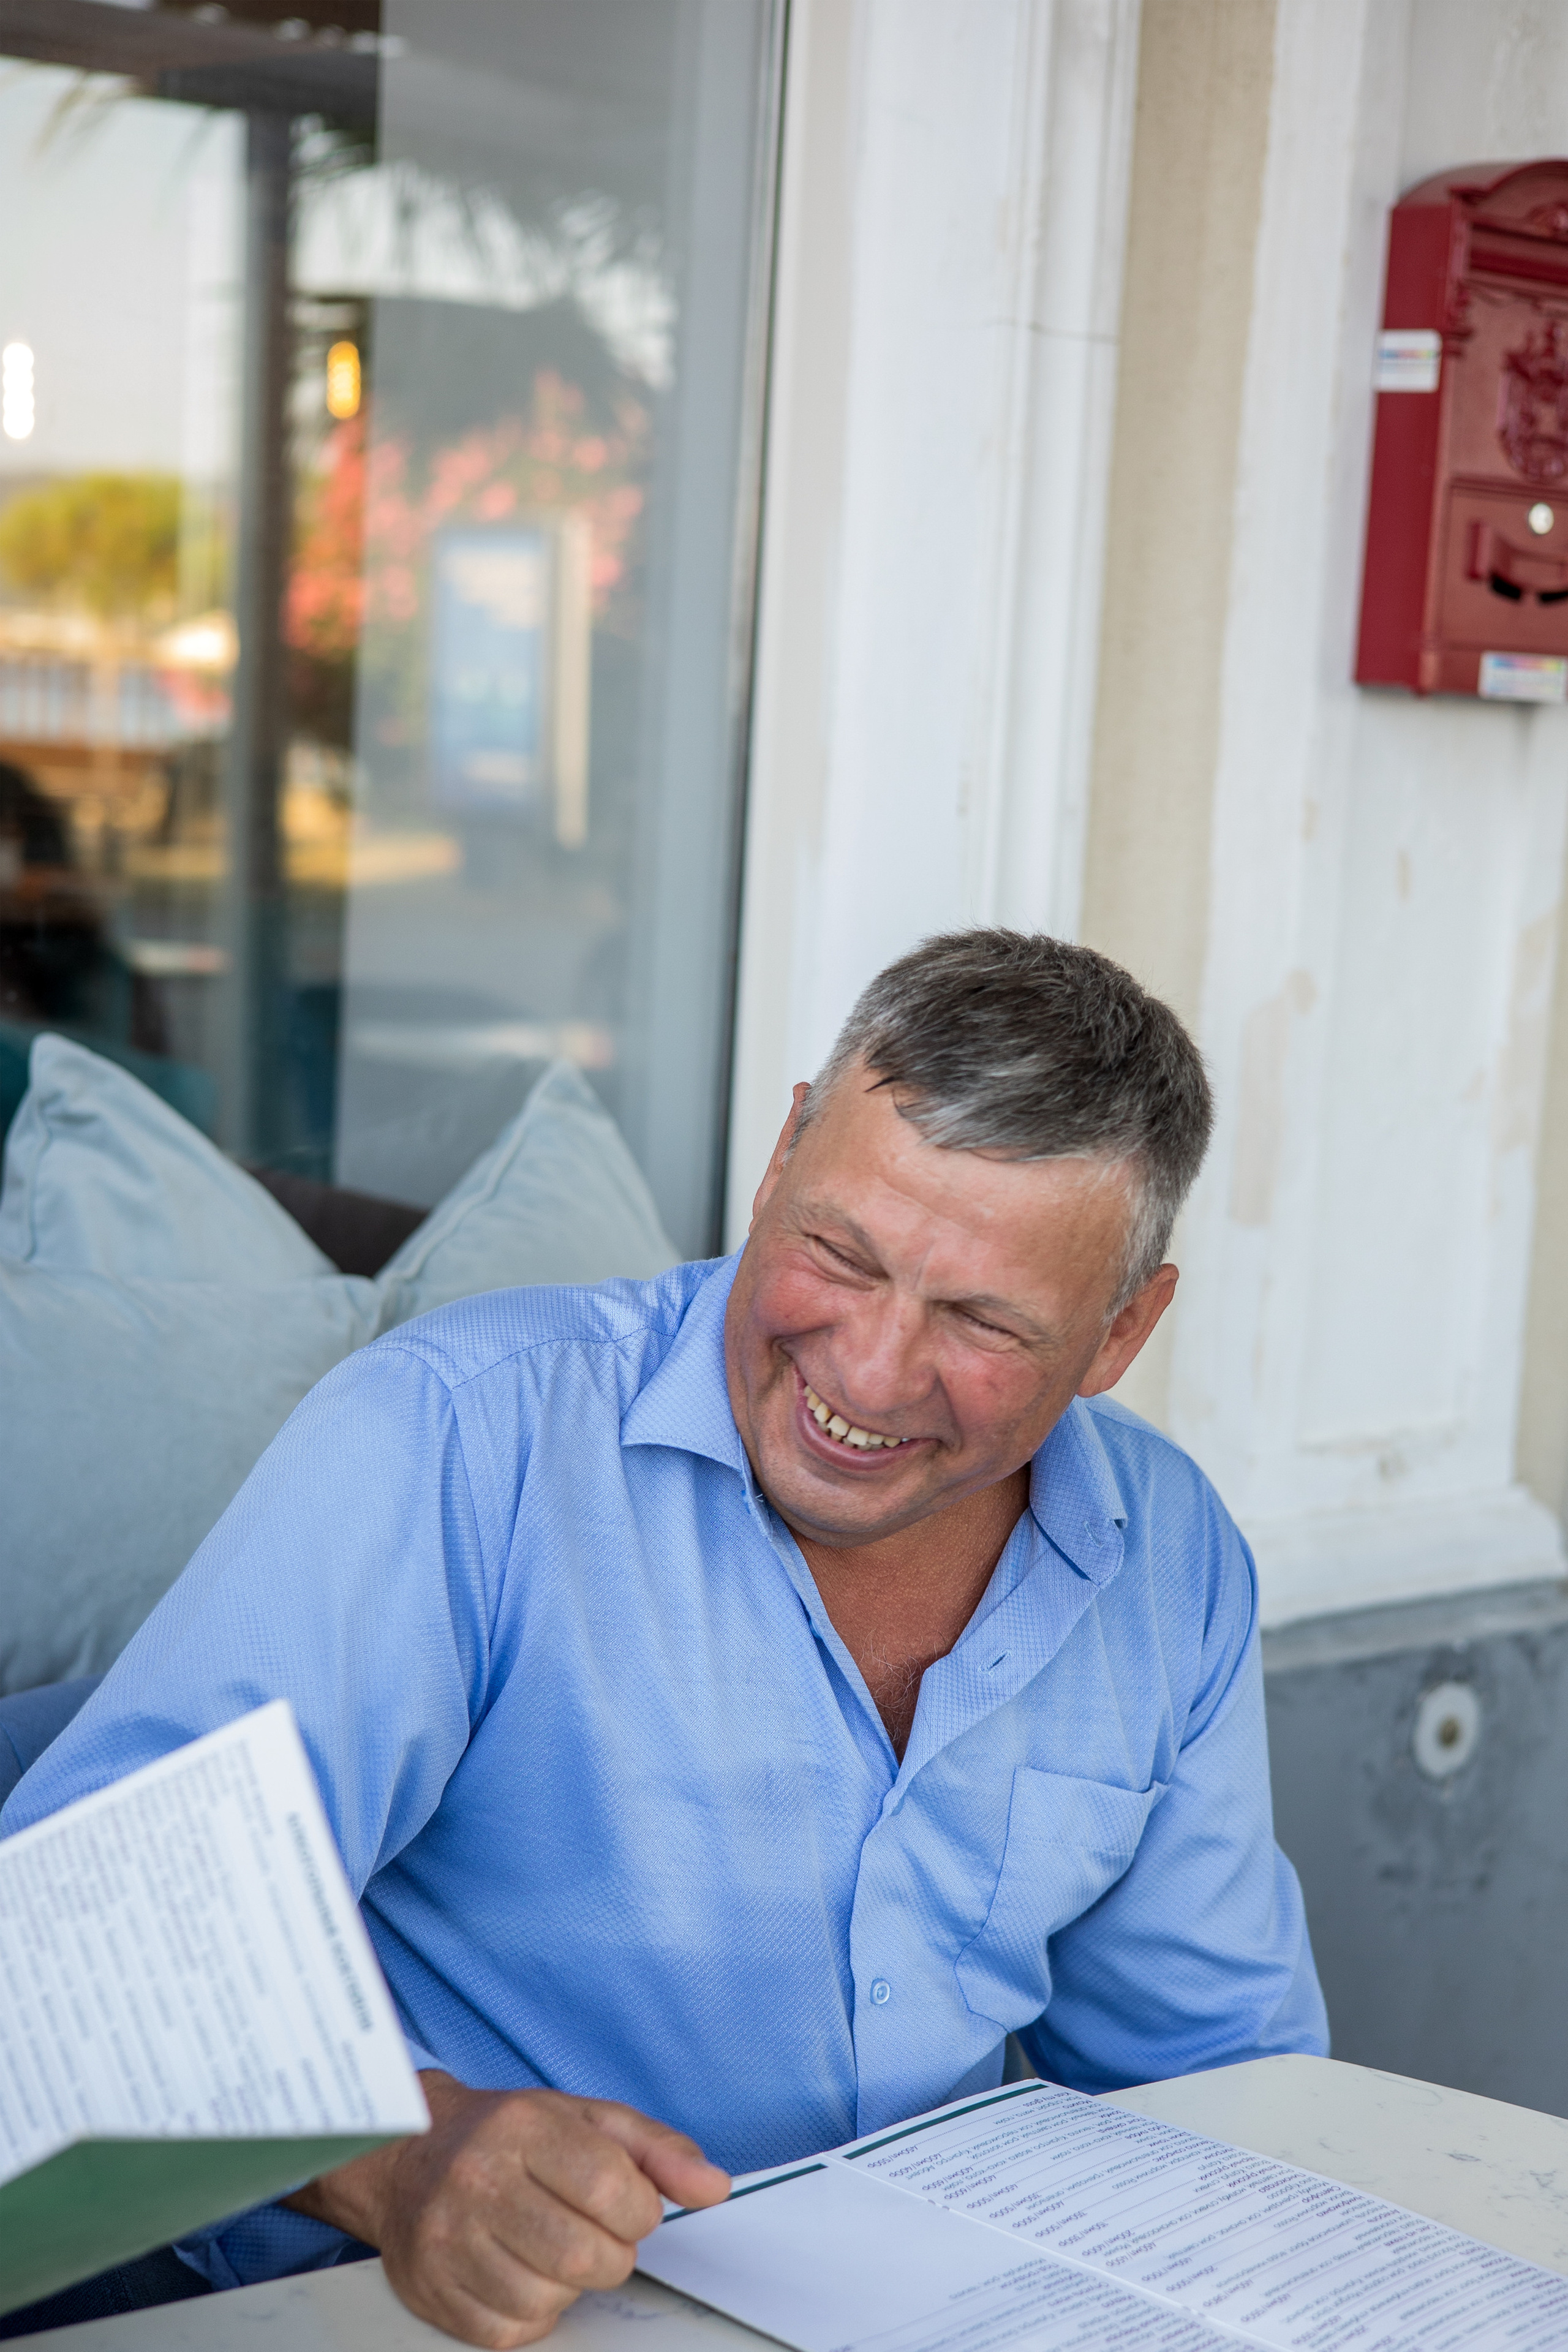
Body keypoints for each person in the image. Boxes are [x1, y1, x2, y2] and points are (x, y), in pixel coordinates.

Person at [2, 930, 1327, 2348]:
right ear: (778, 1161)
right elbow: (62, 1978)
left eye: (980, 1322)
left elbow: (1207, 2092)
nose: (869, 1372)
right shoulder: (457, 1439)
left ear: (1121, 1331)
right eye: (837, 1254)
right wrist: (400, 2162)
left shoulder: (1166, 1553)